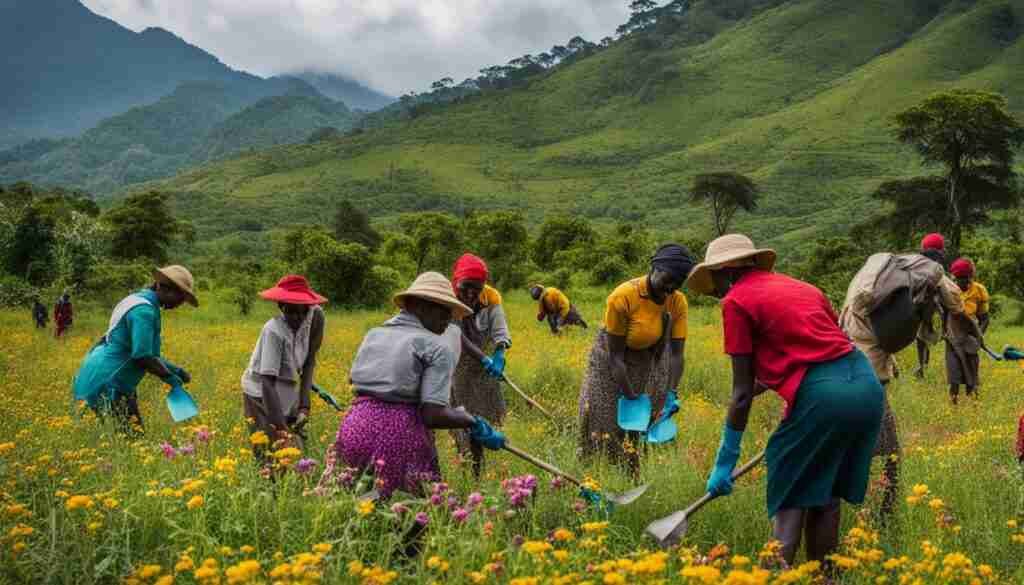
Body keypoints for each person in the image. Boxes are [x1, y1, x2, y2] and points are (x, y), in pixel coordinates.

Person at [689, 234, 883, 569]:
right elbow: (819, 349)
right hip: (866, 386)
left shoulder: (736, 301)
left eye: (716, 281)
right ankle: (825, 578)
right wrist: (796, 396)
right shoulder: (804, 288)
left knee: (790, 500)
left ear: (725, 271)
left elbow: (741, 393)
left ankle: (772, 577)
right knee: (825, 498)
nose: (717, 291)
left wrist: (725, 460)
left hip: (823, 396)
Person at [319, 272, 505, 500]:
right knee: (410, 517)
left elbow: (355, 383)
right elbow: (432, 414)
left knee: (358, 506)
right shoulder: (438, 347)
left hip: (353, 428)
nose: (448, 319)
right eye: (444, 310)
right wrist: (472, 421)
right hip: (398, 435)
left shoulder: (374, 334)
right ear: (419, 306)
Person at [838, 233, 966, 521]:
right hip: (870, 371)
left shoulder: (887, 267)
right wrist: (973, 328)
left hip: (842, 346)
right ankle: (885, 509)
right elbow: (957, 305)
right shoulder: (933, 275)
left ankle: (873, 501)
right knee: (888, 448)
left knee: (863, 439)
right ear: (940, 256)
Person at [578, 243, 693, 471]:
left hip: (653, 357)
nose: (670, 288)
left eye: (677, 284)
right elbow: (615, 358)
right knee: (604, 420)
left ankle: (632, 472)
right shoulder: (623, 297)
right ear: (654, 268)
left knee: (647, 422)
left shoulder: (677, 301)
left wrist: (672, 392)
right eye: (668, 279)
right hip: (611, 358)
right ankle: (596, 473)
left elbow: (677, 355)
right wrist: (630, 396)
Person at [72, 266, 198, 436]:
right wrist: (170, 378)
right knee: (132, 441)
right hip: (109, 380)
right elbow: (142, 356)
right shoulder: (144, 311)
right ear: (162, 287)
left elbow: (145, 352)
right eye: (180, 296)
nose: (180, 303)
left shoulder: (138, 300)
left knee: (123, 439)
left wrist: (176, 370)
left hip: (100, 373)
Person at [241, 275, 326, 462]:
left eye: (302, 311)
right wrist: (280, 428)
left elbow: (309, 362)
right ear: (281, 306)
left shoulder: (316, 316)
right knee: (271, 454)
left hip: (288, 390)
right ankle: (271, 486)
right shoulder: (273, 330)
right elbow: (267, 383)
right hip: (261, 395)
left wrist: (304, 407)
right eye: (291, 311)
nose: (298, 317)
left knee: (296, 450)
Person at [449, 254, 512, 478]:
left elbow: (500, 330)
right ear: (456, 282)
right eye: (466, 286)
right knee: (462, 420)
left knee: (485, 421)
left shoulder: (491, 298)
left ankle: (478, 470)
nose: (471, 293)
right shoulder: (447, 297)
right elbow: (456, 335)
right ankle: (470, 470)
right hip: (457, 369)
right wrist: (483, 358)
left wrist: (499, 352)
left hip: (484, 373)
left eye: (477, 288)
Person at [945, 258, 989, 404]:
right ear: (954, 278)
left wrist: (978, 337)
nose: (961, 282)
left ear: (970, 277)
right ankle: (953, 406)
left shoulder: (979, 290)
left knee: (971, 373)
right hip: (953, 337)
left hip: (971, 336)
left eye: (964, 278)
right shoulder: (948, 291)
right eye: (958, 279)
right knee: (954, 375)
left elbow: (984, 318)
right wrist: (945, 333)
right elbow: (944, 314)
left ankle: (973, 405)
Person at [912, 233, 949, 377]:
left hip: (918, 306)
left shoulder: (915, 264)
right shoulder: (936, 267)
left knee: (921, 338)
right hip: (930, 307)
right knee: (923, 336)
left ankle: (922, 366)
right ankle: (923, 366)